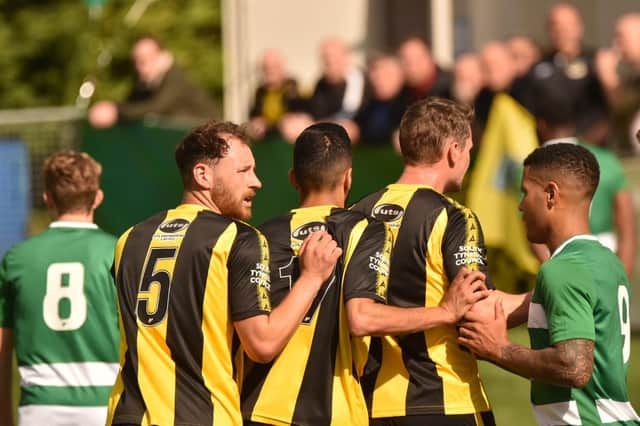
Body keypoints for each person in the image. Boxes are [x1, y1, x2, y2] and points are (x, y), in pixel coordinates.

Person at [241, 122, 488, 426]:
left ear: (293, 179)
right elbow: (363, 318)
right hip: (335, 412)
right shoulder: (366, 231)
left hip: (254, 407)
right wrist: (444, 312)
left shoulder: (258, 237)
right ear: (348, 178)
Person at [106, 121, 341, 425]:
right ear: (202, 175)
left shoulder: (129, 239)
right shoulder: (237, 239)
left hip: (126, 416)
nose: (256, 182)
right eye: (243, 171)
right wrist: (311, 277)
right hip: (202, 416)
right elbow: (262, 344)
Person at [351, 97, 529, 425]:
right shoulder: (453, 217)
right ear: (453, 150)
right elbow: (479, 313)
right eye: (469, 151)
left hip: (369, 406)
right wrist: (543, 297)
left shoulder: (355, 214)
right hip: (445, 400)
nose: (468, 160)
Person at [458, 143, 640, 426]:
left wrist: (500, 350)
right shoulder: (606, 262)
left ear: (551, 194)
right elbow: (521, 304)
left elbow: (575, 366)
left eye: (526, 192)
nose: (520, 205)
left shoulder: (562, 269)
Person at [0, 150, 119, 425]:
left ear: (47, 199)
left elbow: (3, 349)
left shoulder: (18, 258)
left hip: (39, 407)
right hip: (106, 406)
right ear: (98, 197)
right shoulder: (117, 251)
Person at [533, 94, 636, 277]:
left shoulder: (531, 169)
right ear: (573, 122)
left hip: (562, 263)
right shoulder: (608, 161)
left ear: (541, 124)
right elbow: (627, 227)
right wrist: (622, 280)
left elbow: (536, 234)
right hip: (608, 259)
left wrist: (556, 276)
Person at [89, 36, 216, 128]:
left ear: (161, 57)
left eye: (145, 59)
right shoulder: (146, 82)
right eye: (137, 61)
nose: (140, 66)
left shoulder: (176, 78)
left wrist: (115, 111)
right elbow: (132, 103)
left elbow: (157, 107)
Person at [526, 3, 607, 135]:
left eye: (568, 26)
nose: (561, 31)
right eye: (555, 25)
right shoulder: (538, 67)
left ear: (579, 27)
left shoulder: (597, 61)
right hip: (553, 144)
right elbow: (532, 110)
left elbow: (607, 108)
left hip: (593, 144)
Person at [279, 37, 366, 143]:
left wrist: (315, 124)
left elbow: (351, 117)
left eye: (334, 58)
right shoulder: (321, 83)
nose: (329, 63)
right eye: (325, 59)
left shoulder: (359, 81)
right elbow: (315, 112)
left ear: (346, 57)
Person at [248, 48, 300, 140]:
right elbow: (254, 116)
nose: (270, 71)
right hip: (266, 137)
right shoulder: (260, 92)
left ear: (281, 67)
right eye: (266, 68)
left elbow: (295, 115)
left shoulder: (292, 87)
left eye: (273, 67)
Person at [396, 36, 452, 106]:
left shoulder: (450, 90)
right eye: (406, 60)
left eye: (417, 58)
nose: (411, 65)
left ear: (430, 58)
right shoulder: (400, 96)